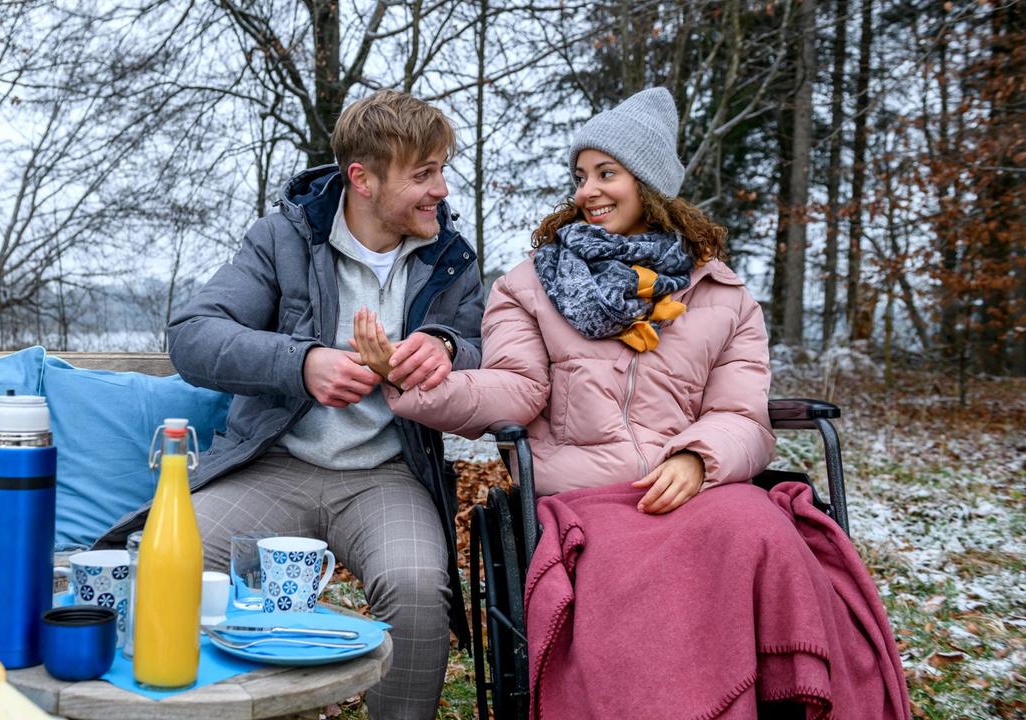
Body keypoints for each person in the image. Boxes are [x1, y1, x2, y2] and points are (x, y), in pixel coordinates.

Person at [354, 88, 910, 718]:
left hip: (699, 487)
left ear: (649, 183)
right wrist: (411, 377)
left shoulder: (723, 296)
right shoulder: (529, 286)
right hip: (588, 500)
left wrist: (700, 459)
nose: (588, 190)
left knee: (758, 527)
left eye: (606, 173)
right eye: (581, 176)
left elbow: (742, 416)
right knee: (630, 577)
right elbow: (515, 387)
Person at [99, 90, 484, 720]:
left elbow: (480, 349)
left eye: (442, 169)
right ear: (361, 178)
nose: (441, 188)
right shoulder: (284, 239)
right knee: (169, 561)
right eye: (423, 173)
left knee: (418, 589)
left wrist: (445, 349)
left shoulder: (450, 258)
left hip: (389, 474)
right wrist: (301, 364)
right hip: (275, 465)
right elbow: (194, 335)